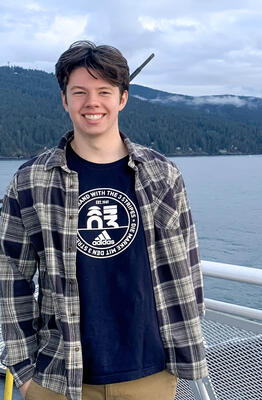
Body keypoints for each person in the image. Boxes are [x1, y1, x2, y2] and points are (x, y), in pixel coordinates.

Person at [0, 41, 207, 400]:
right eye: (79, 92)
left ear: (122, 98)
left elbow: (187, 269)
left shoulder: (162, 174)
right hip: (57, 375)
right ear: (65, 100)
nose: (91, 102)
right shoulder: (31, 180)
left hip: (150, 373)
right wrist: (24, 372)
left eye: (104, 91)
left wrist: (181, 349)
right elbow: (10, 278)